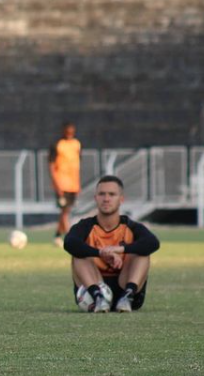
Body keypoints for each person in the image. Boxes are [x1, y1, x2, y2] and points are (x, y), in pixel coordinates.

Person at [64, 175, 160, 313]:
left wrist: (119, 249)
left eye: (112, 194)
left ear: (121, 199)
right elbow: (69, 243)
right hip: (94, 286)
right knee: (78, 253)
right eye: (102, 194)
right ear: (95, 198)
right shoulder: (85, 226)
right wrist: (101, 252)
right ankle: (98, 297)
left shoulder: (131, 226)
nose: (106, 199)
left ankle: (128, 296)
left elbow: (153, 243)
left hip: (124, 284)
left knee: (143, 252)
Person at [49, 121, 81, 248]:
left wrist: (78, 183)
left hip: (73, 184)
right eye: (67, 131)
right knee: (65, 211)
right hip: (61, 183)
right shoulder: (57, 145)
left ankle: (57, 235)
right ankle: (69, 236)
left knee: (65, 211)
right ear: (63, 131)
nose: (69, 134)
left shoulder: (76, 144)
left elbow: (77, 165)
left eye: (71, 131)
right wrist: (56, 185)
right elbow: (51, 166)